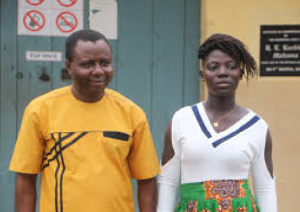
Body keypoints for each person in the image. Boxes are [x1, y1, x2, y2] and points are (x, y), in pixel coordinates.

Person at [9, 29, 160, 212]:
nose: (98, 71)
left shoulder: (132, 113)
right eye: (88, 64)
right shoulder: (40, 110)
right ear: (69, 66)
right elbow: (26, 179)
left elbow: (147, 181)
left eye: (105, 63)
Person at [157, 33, 277, 212]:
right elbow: (167, 181)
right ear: (202, 74)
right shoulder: (181, 119)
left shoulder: (257, 126)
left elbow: (265, 188)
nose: (223, 72)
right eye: (213, 67)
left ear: (240, 73)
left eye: (231, 66)